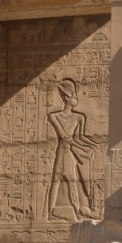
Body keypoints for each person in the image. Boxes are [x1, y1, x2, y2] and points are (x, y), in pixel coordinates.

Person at [47, 78, 97, 219]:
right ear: (67, 97)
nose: (77, 100)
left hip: (69, 152)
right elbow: (65, 138)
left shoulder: (79, 117)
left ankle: (76, 212)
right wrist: (84, 149)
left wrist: (93, 145)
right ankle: (50, 213)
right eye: (75, 97)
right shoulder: (54, 116)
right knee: (59, 181)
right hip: (63, 152)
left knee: (70, 182)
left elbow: (79, 138)